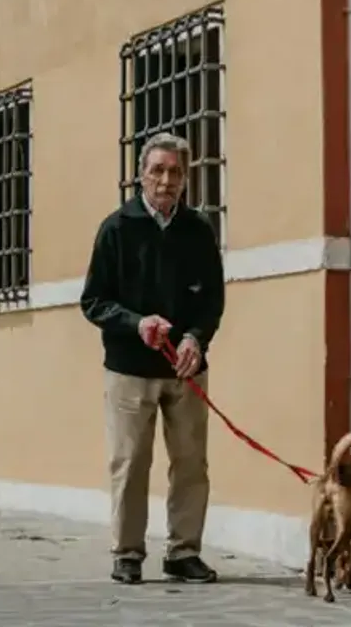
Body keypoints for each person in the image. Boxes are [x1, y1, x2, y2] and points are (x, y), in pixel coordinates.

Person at [79, 132, 226, 585]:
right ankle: (127, 553)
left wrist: (197, 339)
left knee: (191, 463)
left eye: (176, 171)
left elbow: (213, 300)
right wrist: (136, 323)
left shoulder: (198, 229)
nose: (167, 180)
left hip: (184, 370)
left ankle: (184, 552)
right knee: (130, 463)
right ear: (141, 174)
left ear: (186, 178)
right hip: (129, 370)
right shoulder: (116, 228)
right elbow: (94, 302)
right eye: (158, 170)